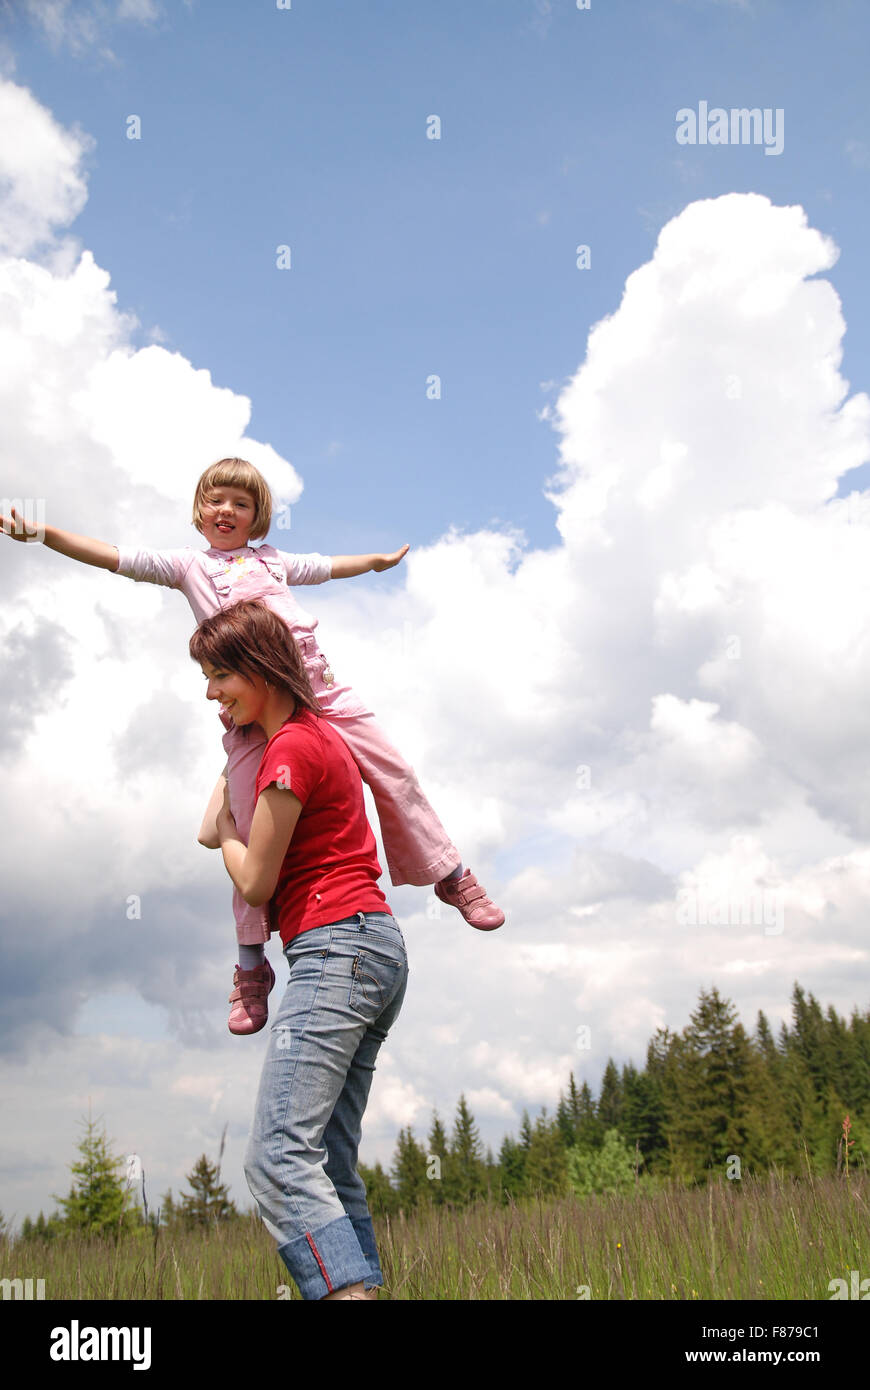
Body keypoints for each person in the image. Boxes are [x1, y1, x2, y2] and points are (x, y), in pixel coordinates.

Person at [1, 457, 504, 1035]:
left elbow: (327, 567)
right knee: (240, 819)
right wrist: (41, 533)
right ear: (199, 510)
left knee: (395, 771)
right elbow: (115, 557)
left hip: (318, 685)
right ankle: (250, 967)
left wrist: (374, 562)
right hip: (252, 714)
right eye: (216, 500)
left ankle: (450, 873)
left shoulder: (273, 561)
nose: (227, 511)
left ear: (258, 515)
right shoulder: (188, 565)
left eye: (241, 504)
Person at [191, 598, 407, 1301]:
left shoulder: (294, 748)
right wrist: (232, 765)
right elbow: (209, 822)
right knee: (330, 1163)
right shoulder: (309, 739)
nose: (210, 692)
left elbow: (254, 880)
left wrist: (230, 835)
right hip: (373, 949)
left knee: (280, 1158)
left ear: (261, 667)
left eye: (221, 675)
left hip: (336, 947)